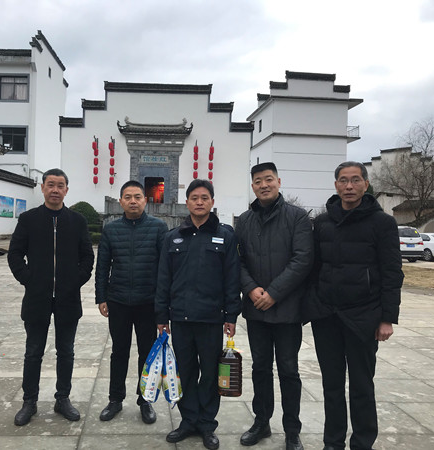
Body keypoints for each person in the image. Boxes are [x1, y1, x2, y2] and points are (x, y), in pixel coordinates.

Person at [305, 161, 403, 450]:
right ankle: (332, 442)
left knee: (362, 385)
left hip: (364, 316)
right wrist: (313, 306)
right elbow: (313, 269)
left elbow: (392, 273)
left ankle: (362, 442)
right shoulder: (322, 222)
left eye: (355, 180)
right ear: (336, 185)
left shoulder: (382, 223)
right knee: (332, 386)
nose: (349, 186)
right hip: (327, 317)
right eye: (343, 180)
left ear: (365, 184)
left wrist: (387, 318)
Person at [156, 179, 241, 450]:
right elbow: (163, 279)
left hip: (211, 318)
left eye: (205, 197)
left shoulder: (225, 236)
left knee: (211, 373)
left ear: (212, 202)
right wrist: (161, 316)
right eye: (194, 198)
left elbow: (232, 278)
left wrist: (231, 315)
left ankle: (206, 423)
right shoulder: (173, 237)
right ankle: (188, 420)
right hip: (180, 319)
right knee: (185, 372)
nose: (200, 202)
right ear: (188, 202)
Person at [8, 168, 94, 426]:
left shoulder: (77, 221)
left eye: (60, 185)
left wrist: (75, 281)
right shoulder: (29, 219)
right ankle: (29, 401)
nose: (55, 190)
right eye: (51, 185)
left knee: (66, 352)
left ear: (66, 190)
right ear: (43, 187)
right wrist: (29, 279)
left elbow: (87, 257)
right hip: (37, 298)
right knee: (33, 351)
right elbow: (15, 254)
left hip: (68, 299)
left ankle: (62, 398)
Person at [235, 162, 313, 449]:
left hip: (288, 310)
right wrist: (251, 288)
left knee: (289, 371)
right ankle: (261, 421)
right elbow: (237, 261)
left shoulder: (297, 217)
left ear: (279, 182)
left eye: (268, 179)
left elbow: (303, 259)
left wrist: (274, 293)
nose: (263, 185)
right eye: (258, 181)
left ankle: (292, 429)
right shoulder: (244, 220)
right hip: (256, 309)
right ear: (252, 186)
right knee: (260, 369)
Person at [95, 180, 168, 424]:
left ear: (145, 200)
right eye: (128, 197)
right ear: (121, 201)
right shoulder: (111, 229)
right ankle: (115, 399)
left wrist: (163, 303)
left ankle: (145, 400)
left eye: (138, 197)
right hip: (118, 301)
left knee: (147, 353)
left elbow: (165, 269)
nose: (133, 201)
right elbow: (103, 266)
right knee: (119, 351)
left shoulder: (158, 228)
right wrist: (101, 297)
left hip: (148, 302)